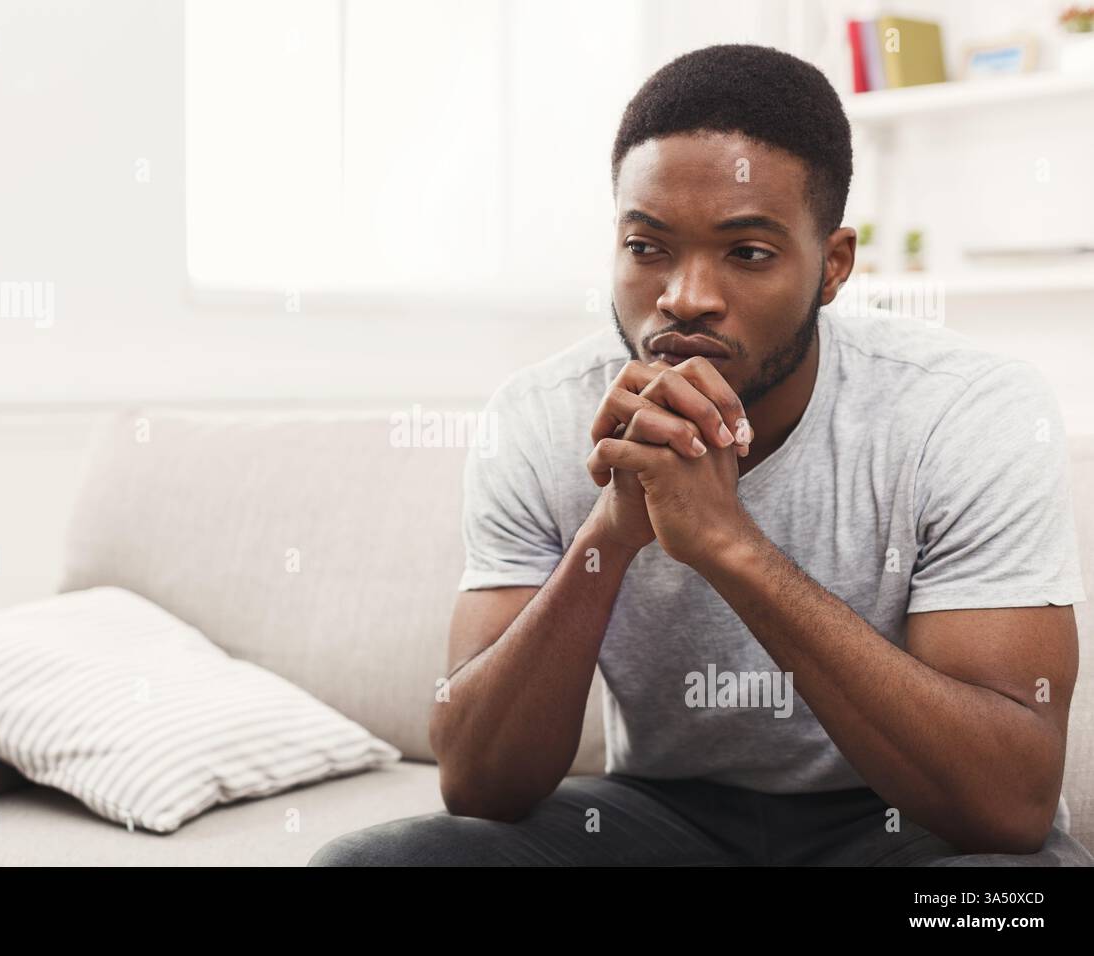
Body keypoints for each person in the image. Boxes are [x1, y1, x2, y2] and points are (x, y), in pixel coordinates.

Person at [309, 44, 1092, 866]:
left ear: (832, 267)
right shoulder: (538, 417)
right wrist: (610, 532)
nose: (684, 298)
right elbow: (479, 785)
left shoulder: (966, 409)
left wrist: (728, 544)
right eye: (647, 248)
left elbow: (1008, 808)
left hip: (901, 824)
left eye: (747, 252)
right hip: (661, 818)